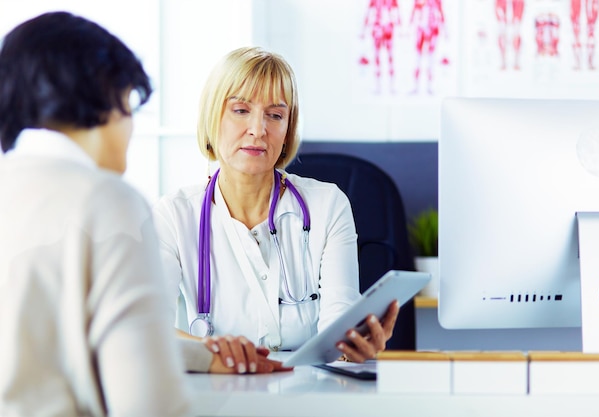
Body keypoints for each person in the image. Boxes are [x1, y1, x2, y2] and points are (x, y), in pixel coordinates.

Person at [0, 12, 282, 417]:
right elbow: (148, 403)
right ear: (107, 97)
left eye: (275, 114)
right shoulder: (106, 202)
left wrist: (205, 356)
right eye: (131, 104)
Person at [152, 46, 400, 363]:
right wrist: (215, 357)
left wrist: (352, 346)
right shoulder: (175, 215)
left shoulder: (328, 205)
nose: (259, 129)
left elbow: (339, 322)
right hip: (217, 397)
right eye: (240, 110)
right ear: (212, 118)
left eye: (275, 115)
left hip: (311, 396)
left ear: (287, 130)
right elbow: (148, 327)